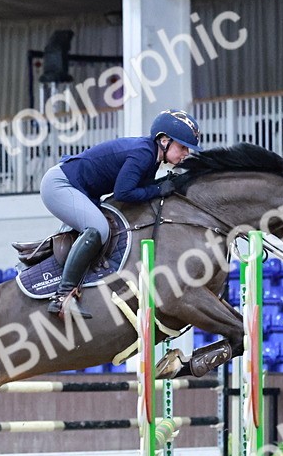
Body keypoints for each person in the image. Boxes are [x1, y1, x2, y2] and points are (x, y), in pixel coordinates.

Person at [40, 109, 201, 318]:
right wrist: (158, 189)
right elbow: (123, 193)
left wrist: (165, 186)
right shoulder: (143, 154)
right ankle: (62, 297)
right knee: (99, 228)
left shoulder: (151, 157)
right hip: (60, 184)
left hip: (79, 189)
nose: (186, 153)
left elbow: (141, 190)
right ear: (164, 140)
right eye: (182, 147)